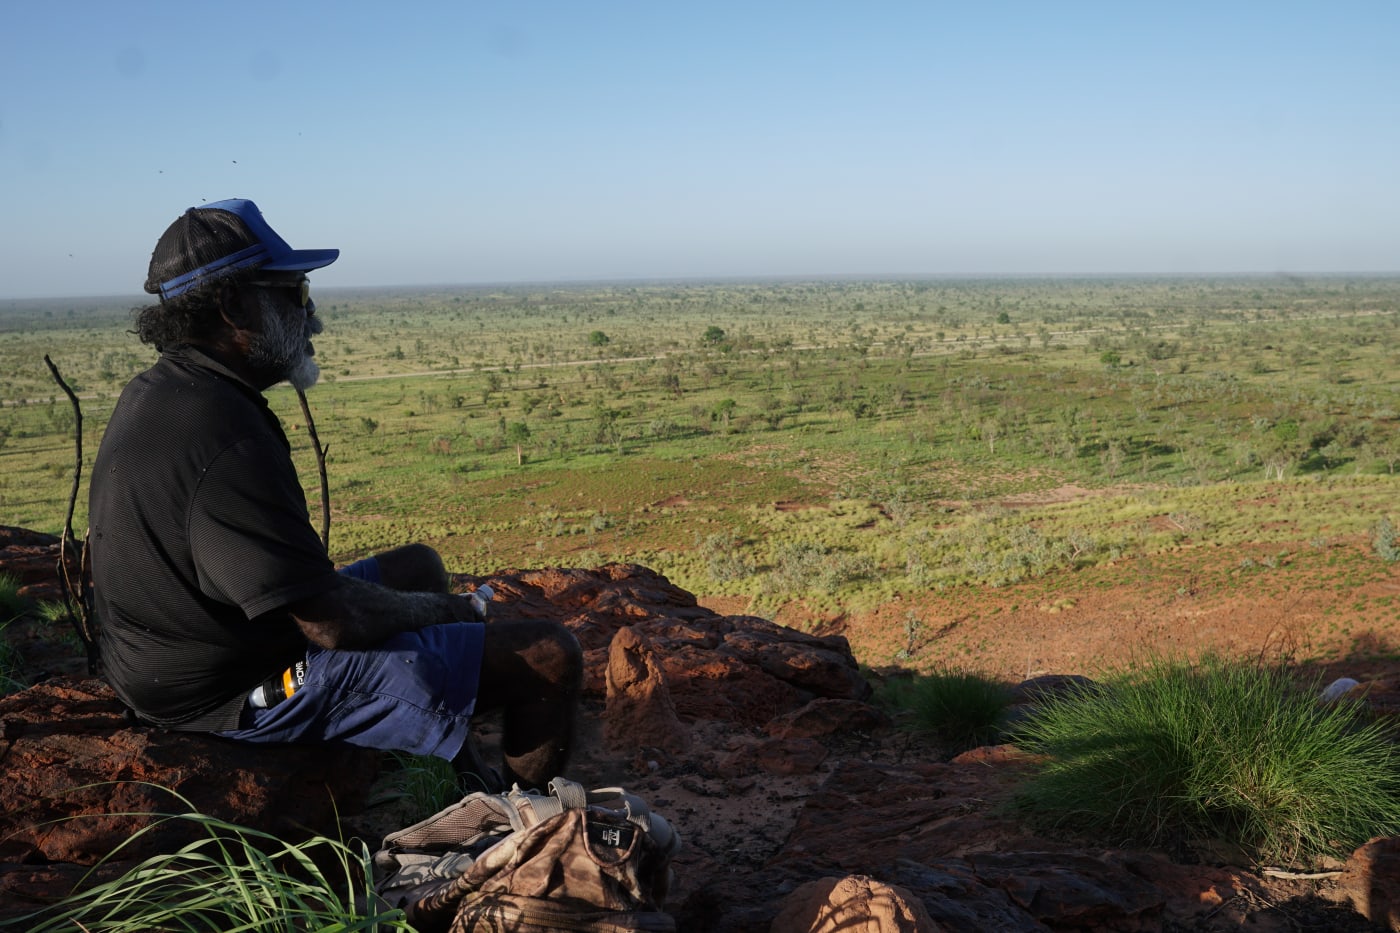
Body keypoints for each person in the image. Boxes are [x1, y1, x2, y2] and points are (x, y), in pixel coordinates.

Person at [89, 199, 581, 791]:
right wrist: (452, 613)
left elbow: (296, 592)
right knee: (548, 657)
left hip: (178, 657)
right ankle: (522, 821)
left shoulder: (166, 391)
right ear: (233, 305)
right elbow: (330, 625)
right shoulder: (222, 434)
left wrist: (422, 609)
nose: (312, 314)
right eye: (295, 293)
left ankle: (458, 776)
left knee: (419, 565)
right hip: (227, 696)